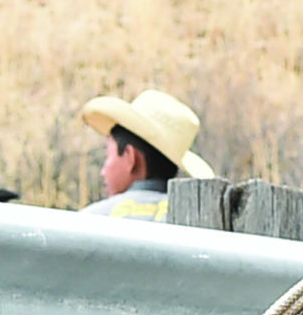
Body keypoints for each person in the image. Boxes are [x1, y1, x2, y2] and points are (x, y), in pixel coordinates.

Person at [78, 89, 214, 222]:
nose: (103, 171)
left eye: (108, 156)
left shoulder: (90, 221)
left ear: (131, 157)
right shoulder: (198, 220)